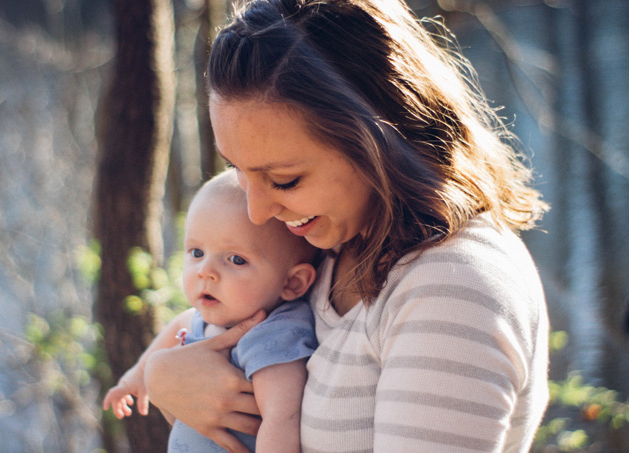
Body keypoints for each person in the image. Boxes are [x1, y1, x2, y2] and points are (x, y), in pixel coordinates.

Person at [143, 0, 551, 452]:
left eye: (284, 180)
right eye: (238, 168)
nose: (256, 212)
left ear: (379, 140)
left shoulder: (452, 287)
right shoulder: (334, 243)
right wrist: (163, 374)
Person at [103, 170, 319, 452]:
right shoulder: (199, 320)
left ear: (292, 282)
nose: (206, 271)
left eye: (236, 259)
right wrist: (133, 379)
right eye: (196, 252)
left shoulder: (274, 336)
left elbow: (282, 420)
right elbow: (167, 340)